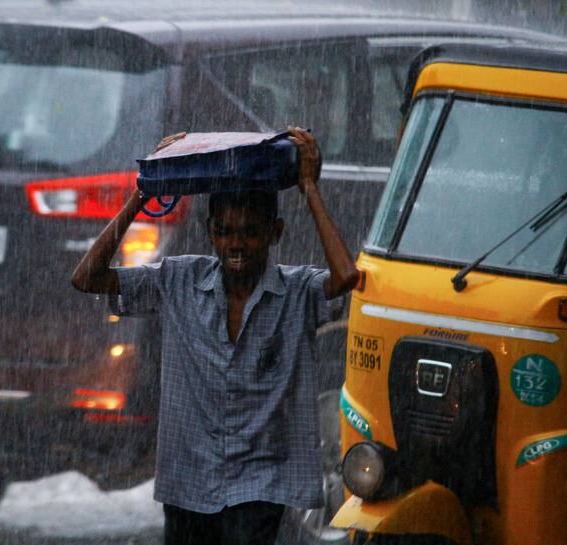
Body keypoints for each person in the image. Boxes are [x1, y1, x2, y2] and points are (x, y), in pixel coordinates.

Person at [71, 127, 360, 545]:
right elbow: (86, 277)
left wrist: (309, 187)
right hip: (190, 481)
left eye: (249, 232)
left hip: (261, 483)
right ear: (209, 233)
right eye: (224, 231)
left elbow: (345, 275)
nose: (235, 244)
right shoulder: (179, 279)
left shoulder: (296, 291)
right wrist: (144, 192)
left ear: (274, 233)